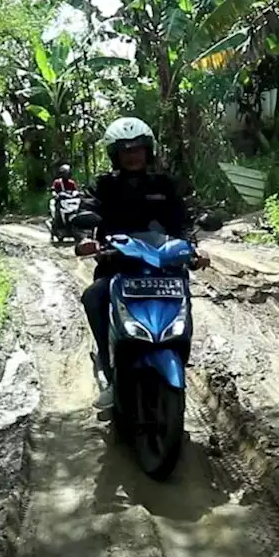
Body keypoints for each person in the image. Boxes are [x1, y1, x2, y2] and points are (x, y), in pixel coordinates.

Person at [75, 117, 209, 408]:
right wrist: (87, 237)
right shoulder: (103, 186)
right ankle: (108, 368)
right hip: (118, 266)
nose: (132, 155)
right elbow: (88, 211)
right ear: (116, 155)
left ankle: (176, 349)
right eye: (125, 151)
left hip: (164, 267)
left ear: (148, 151)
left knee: (183, 296)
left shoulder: (165, 184)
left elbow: (184, 221)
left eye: (137, 149)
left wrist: (195, 249)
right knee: (94, 296)